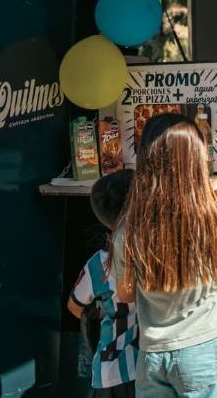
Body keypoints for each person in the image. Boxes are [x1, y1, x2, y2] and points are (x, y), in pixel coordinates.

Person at [111, 113, 217, 397]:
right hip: (202, 354)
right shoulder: (213, 215)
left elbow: (126, 293)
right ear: (195, 163)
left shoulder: (129, 226)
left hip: (152, 355)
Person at [67, 169, 138, 398]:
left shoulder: (98, 264)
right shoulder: (152, 253)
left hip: (110, 367)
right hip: (145, 364)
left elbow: (74, 306)